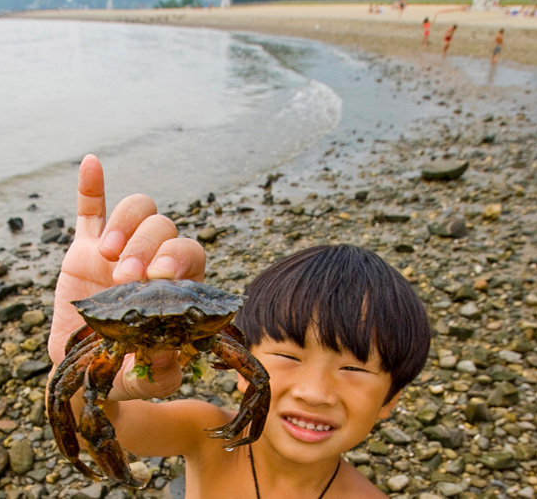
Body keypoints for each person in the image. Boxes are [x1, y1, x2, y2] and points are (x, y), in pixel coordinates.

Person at [48, 154, 432, 498]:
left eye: (352, 368)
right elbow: (95, 415)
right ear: (240, 366)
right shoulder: (201, 432)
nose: (315, 393)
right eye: (287, 356)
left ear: (391, 398)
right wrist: (68, 366)